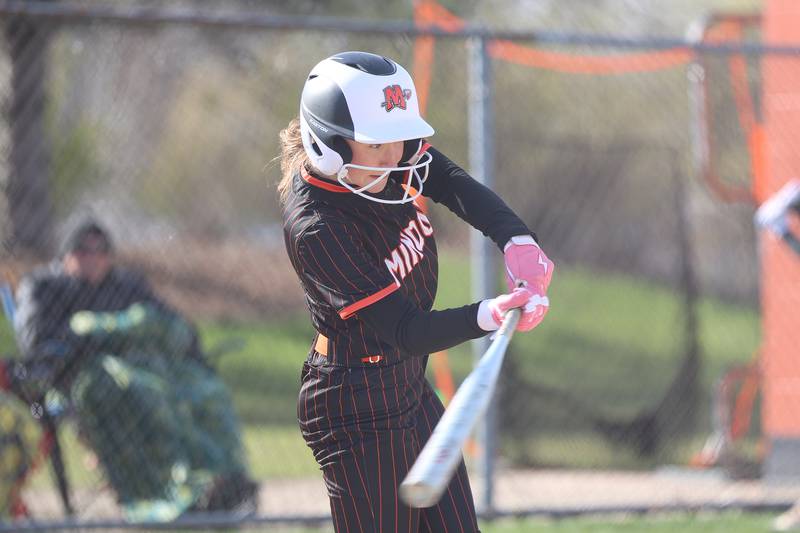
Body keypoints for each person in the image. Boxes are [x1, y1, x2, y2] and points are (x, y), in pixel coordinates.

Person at [278, 51, 554, 532]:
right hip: (354, 405)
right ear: (330, 143)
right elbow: (404, 329)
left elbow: (449, 179)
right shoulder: (318, 227)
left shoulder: (387, 162)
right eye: (377, 145)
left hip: (406, 384)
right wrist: (489, 313)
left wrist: (516, 239)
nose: (398, 156)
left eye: (400, 141)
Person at [13, 220, 257, 521]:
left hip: (144, 369)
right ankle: (168, 496)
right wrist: (93, 336)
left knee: (204, 390)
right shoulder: (43, 287)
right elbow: (37, 342)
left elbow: (166, 320)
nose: (93, 257)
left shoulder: (124, 285)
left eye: (101, 251)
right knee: (144, 393)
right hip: (78, 380)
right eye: (83, 250)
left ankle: (223, 481)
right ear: (66, 254)